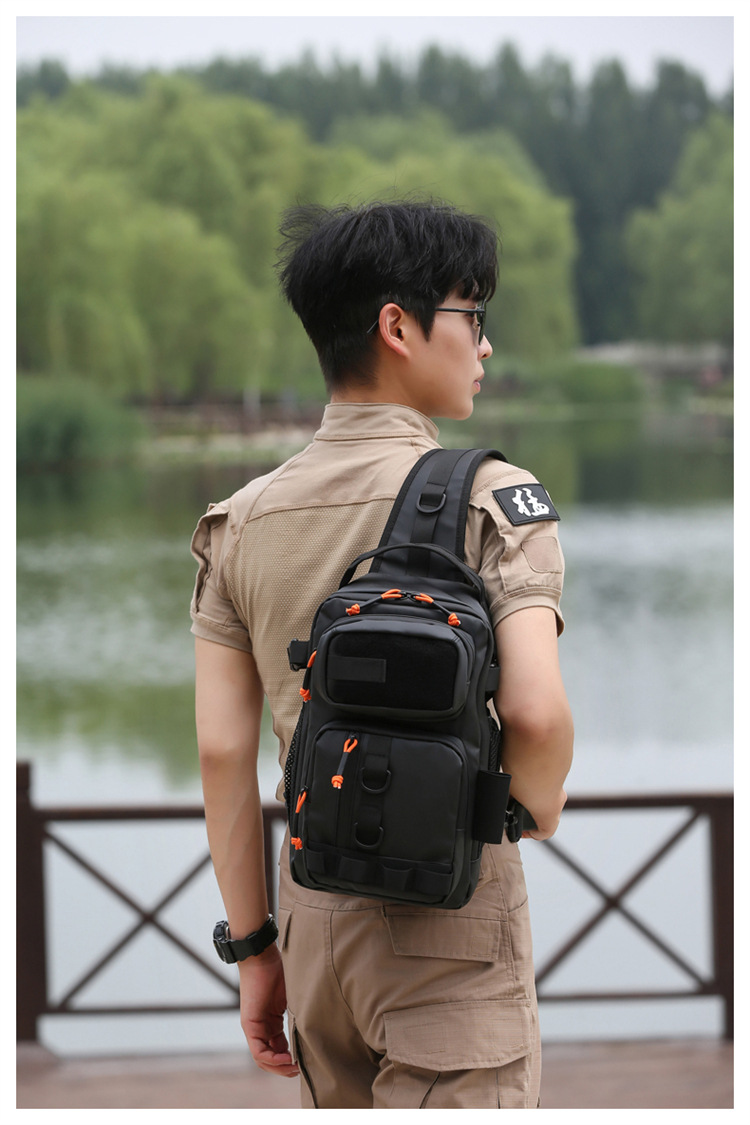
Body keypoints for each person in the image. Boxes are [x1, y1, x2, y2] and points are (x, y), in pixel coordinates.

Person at [190, 200, 574, 1109]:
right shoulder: (493, 497)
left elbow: (220, 751)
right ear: (397, 327)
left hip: (313, 917)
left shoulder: (238, 521)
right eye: (472, 314)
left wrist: (256, 949)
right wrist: (536, 809)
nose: (485, 344)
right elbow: (535, 713)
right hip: (450, 915)